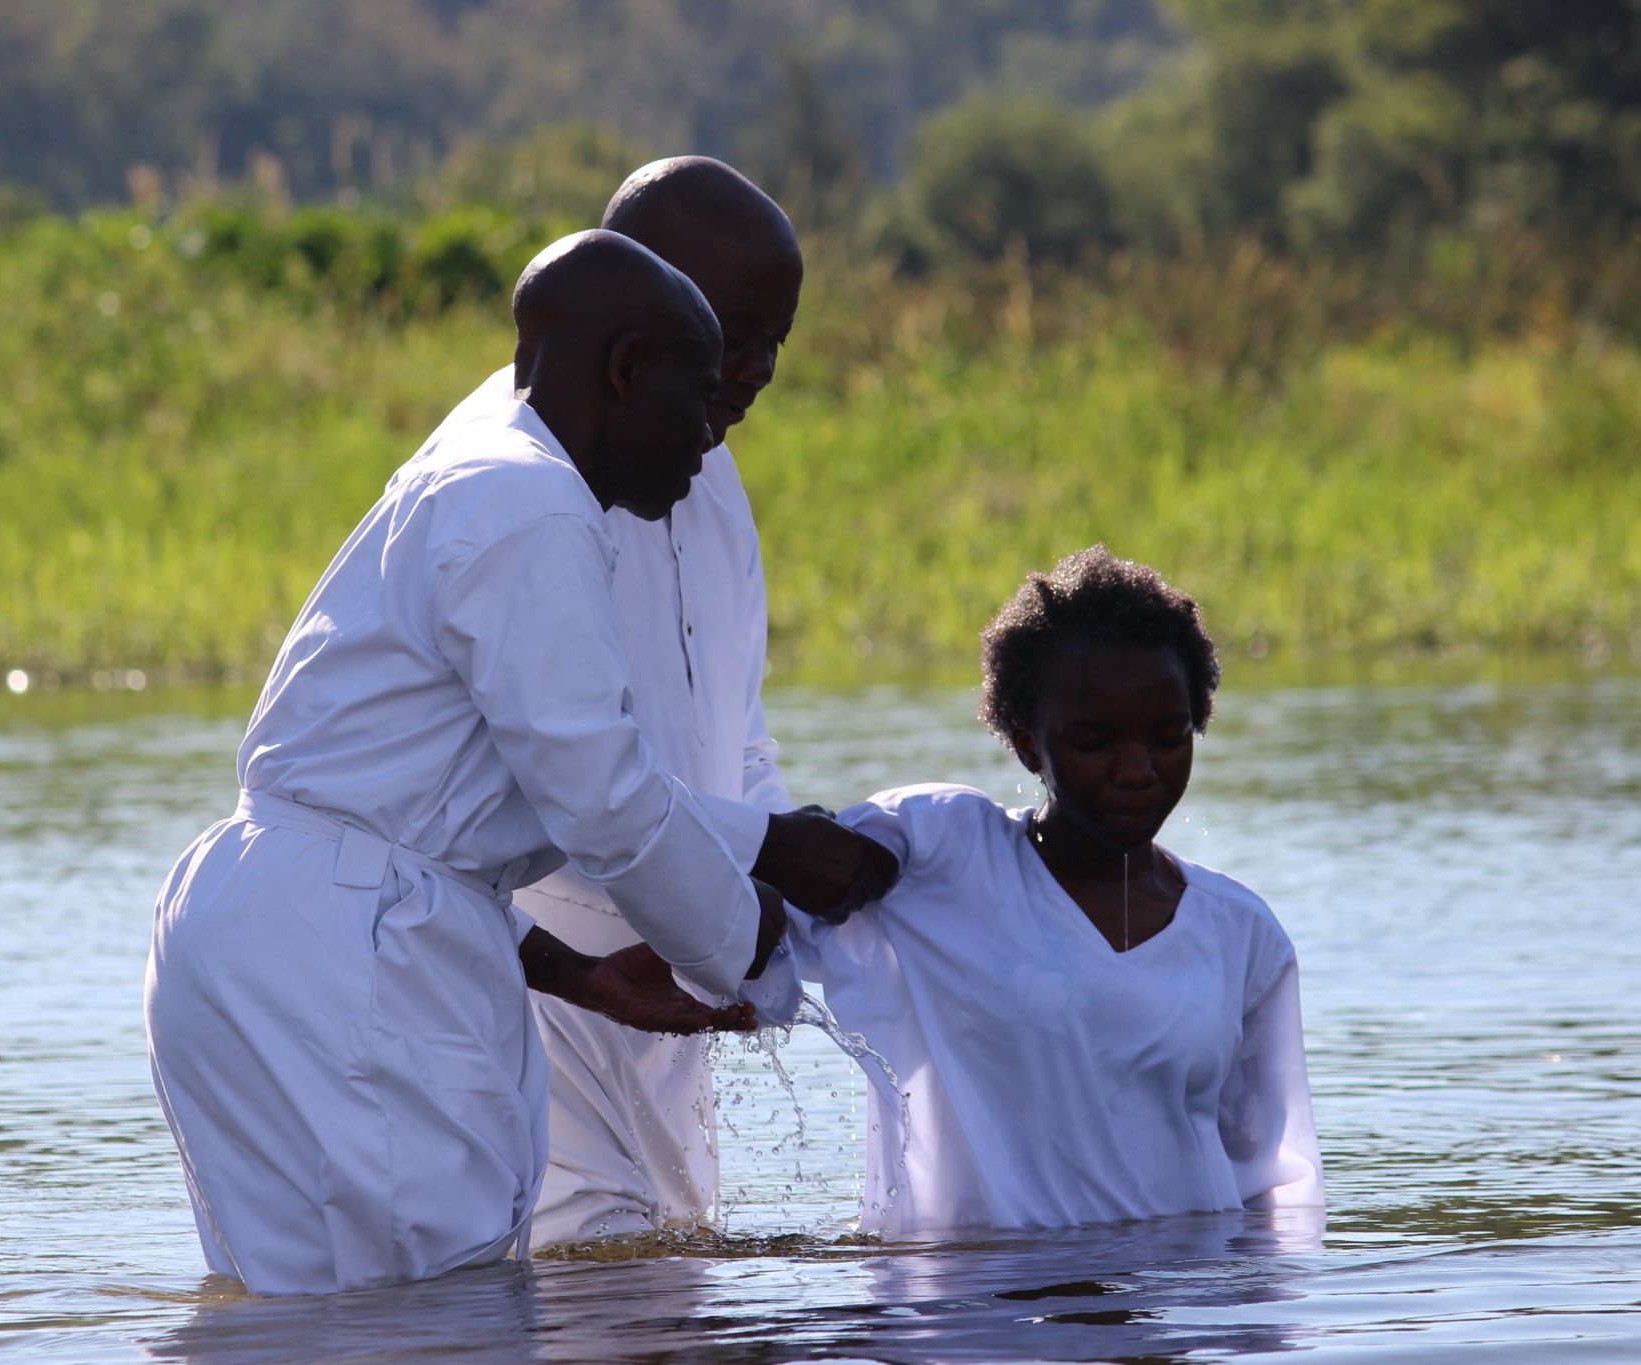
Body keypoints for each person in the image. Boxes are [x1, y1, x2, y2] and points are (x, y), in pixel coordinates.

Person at [145, 230, 789, 1296]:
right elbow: (605, 802)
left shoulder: (480, 473)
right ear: (625, 370)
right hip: (344, 959)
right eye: (699, 398)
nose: (708, 437)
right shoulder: (529, 503)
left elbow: (408, 821)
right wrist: (753, 952)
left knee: (311, 1317)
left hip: (284, 925)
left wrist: (573, 971)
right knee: (433, 1312)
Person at [422, 156, 898, 1247]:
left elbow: (736, 735)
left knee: (664, 1283)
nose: (758, 370)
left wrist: (787, 857)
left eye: (777, 338)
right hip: (540, 971)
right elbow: (585, 791)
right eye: (733, 334)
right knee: (592, 1281)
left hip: (668, 967)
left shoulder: (707, 478)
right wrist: (765, 867)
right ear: (634, 317)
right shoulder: (524, 484)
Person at [792, 546, 1324, 1235]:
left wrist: (1246, 1329)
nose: (1137, 770)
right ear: (1025, 743)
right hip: (973, 1325)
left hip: (1179, 1308)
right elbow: (775, 909)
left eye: (1168, 737)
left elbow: (1273, 1183)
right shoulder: (943, 858)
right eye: (1094, 741)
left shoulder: (1241, 933)